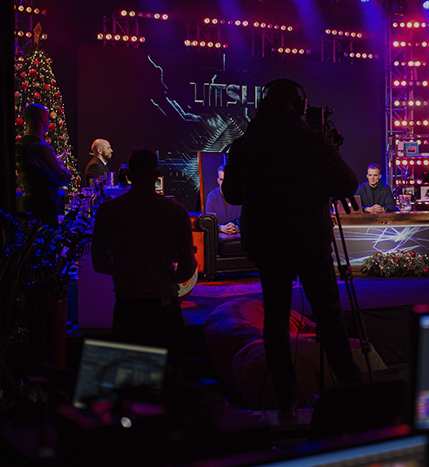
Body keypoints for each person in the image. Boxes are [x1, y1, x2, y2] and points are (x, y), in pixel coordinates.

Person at [221, 79, 363, 422]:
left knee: (275, 319)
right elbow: (347, 183)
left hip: (267, 244)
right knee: (329, 317)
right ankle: (352, 392)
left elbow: (232, 195)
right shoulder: (312, 140)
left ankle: (287, 401)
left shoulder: (246, 143)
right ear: (299, 107)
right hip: (310, 241)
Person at [91, 148, 196, 361]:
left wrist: (128, 269)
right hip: (164, 305)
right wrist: (164, 277)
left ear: (128, 173)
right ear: (157, 174)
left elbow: (99, 263)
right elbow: (187, 268)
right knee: (169, 374)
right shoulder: (175, 210)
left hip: (127, 307)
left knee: (129, 375)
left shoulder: (109, 211)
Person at [15, 103, 72, 227]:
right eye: (47, 117)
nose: (49, 121)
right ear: (42, 117)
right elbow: (60, 177)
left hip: (26, 203)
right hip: (42, 207)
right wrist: (66, 174)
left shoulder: (20, 144)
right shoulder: (40, 147)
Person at [206, 164, 242, 234]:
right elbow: (209, 222)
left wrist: (237, 228)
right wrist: (221, 228)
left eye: (226, 180)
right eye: (221, 180)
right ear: (218, 181)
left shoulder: (239, 195)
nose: (224, 183)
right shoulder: (212, 196)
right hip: (220, 237)